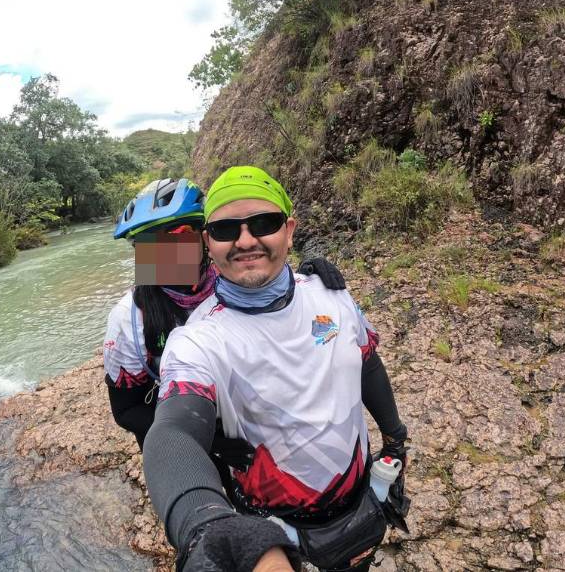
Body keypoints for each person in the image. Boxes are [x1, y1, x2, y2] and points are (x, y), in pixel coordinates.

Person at [142, 167, 409, 572]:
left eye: (263, 224)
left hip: (360, 502)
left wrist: (396, 437)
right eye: (226, 229)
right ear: (208, 242)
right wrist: (203, 525)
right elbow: (173, 430)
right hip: (273, 530)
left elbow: (366, 364)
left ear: (289, 230)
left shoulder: (332, 296)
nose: (246, 240)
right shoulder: (196, 340)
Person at [103, 177, 346, 468]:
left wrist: (308, 275)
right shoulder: (130, 318)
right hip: (179, 436)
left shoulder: (232, 277)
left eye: (178, 235)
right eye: (148, 243)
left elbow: (274, 288)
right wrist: (210, 439)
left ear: (204, 239)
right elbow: (126, 411)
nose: (165, 251)